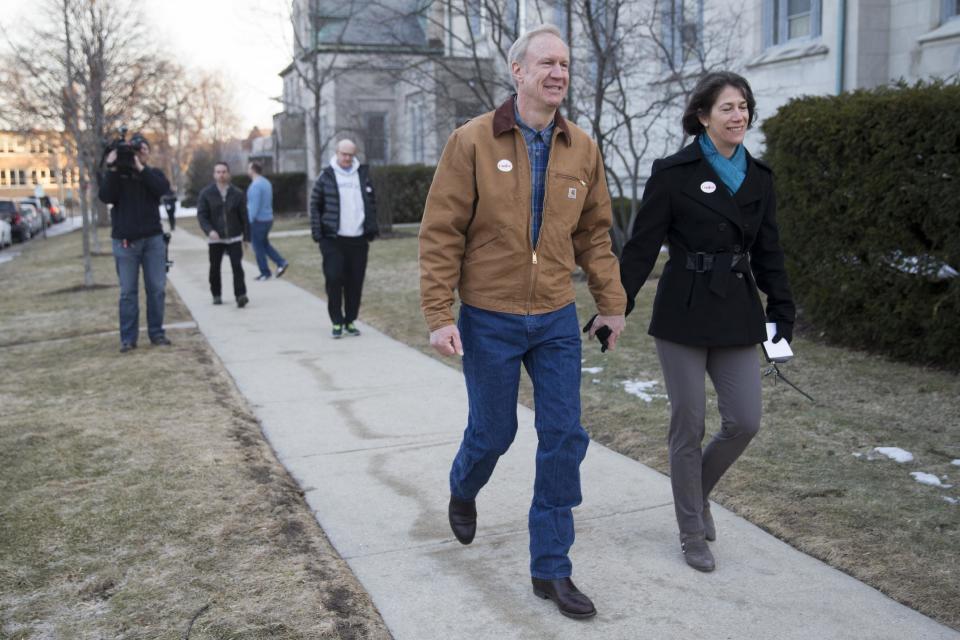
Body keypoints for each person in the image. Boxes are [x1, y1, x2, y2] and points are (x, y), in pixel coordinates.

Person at [419, 24, 626, 620]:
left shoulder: (582, 148)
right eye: (546, 63)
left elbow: (594, 234)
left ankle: (551, 569)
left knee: (564, 437)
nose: (558, 73)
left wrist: (610, 304)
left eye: (564, 63)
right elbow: (440, 233)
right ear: (518, 72)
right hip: (490, 316)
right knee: (495, 434)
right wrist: (440, 314)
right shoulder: (473, 141)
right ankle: (464, 484)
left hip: (557, 315)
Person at [619, 71, 796, 573]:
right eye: (727, 108)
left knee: (744, 420)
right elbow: (641, 246)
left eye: (743, 107)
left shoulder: (760, 177)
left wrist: (781, 311)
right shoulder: (673, 172)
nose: (738, 116)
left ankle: (695, 496)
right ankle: (691, 530)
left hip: (738, 310)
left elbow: (769, 251)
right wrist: (618, 305)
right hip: (684, 311)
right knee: (689, 424)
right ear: (703, 116)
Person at [98, 133, 172, 353]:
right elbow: (106, 197)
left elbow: (161, 189)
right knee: (128, 292)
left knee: (157, 289)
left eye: (143, 150)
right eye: (136, 151)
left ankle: (157, 333)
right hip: (125, 242)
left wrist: (141, 169)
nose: (140, 154)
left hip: (153, 240)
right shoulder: (117, 176)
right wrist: (112, 168)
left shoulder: (152, 174)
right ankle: (128, 339)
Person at [309, 138, 378, 338]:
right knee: (333, 278)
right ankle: (336, 321)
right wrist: (318, 234)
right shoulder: (326, 176)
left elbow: (371, 203)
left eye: (350, 154)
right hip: (333, 239)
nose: (347, 158)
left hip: (358, 239)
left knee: (355, 282)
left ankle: (350, 320)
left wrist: (370, 229)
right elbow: (314, 206)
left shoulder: (362, 175)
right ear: (337, 153)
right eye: (343, 154)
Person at [197, 162, 250, 307]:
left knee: (237, 266)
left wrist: (246, 237)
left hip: (234, 236)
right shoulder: (206, 194)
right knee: (215, 268)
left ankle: (241, 295)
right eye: (218, 172)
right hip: (216, 239)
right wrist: (210, 231)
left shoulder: (237, 193)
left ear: (228, 174)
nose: (221, 175)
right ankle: (216, 294)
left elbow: (244, 217)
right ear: (214, 174)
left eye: (224, 172)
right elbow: (202, 216)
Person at [246, 161, 289, 281]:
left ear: (253, 170)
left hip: (258, 220)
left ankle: (265, 272)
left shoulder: (255, 186)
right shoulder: (266, 183)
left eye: (248, 168)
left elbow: (253, 206)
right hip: (268, 219)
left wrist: (248, 221)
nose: (247, 170)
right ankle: (281, 262)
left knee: (258, 247)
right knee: (264, 244)